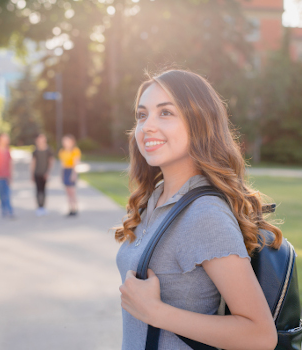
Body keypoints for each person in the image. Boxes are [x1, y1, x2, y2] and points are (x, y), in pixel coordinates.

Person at [116, 70, 283, 350]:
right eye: (142, 115)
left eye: (166, 113)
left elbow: (260, 335)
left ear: (199, 123)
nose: (147, 126)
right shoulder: (155, 198)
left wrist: (156, 313)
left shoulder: (204, 214)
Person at [30, 133, 54, 216]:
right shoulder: (35, 150)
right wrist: (32, 174)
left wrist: (48, 172)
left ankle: (43, 207)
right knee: (38, 190)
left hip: (45, 174)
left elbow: (51, 161)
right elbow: (33, 163)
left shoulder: (48, 150)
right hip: (37, 173)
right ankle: (39, 207)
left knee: (43, 191)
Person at [58, 134, 81, 217]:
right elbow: (62, 165)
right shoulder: (62, 151)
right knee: (67, 191)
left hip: (72, 170)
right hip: (65, 171)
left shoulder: (75, 151)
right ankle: (70, 208)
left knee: (72, 191)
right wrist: (61, 175)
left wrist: (73, 174)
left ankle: (75, 208)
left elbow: (76, 164)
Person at [0, 133, 14, 219]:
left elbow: (10, 163)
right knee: (1, 194)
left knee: (7, 194)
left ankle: (9, 211)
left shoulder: (7, 150)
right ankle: (4, 210)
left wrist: (11, 175)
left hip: (6, 176)